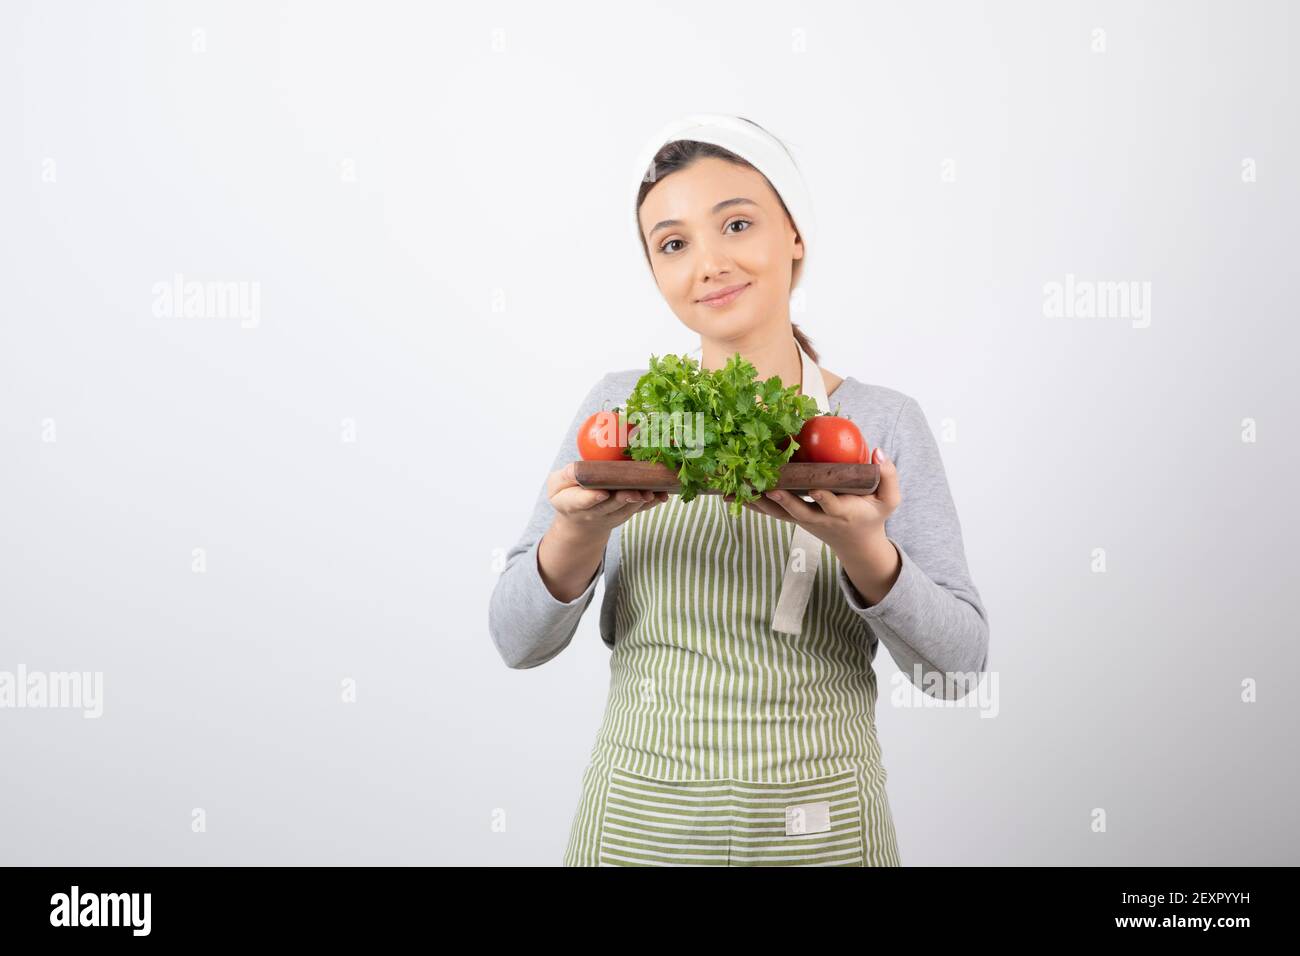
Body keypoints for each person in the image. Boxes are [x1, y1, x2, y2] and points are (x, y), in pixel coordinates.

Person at [488, 114, 990, 866]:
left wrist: (866, 550)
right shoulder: (620, 418)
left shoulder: (877, 424)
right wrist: (577, 535)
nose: (709, 263)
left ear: (795, 236)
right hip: (640, 827)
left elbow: (956, 673)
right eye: (674, 243)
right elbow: (516, 642)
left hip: (820, 829)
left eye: (737, 224)